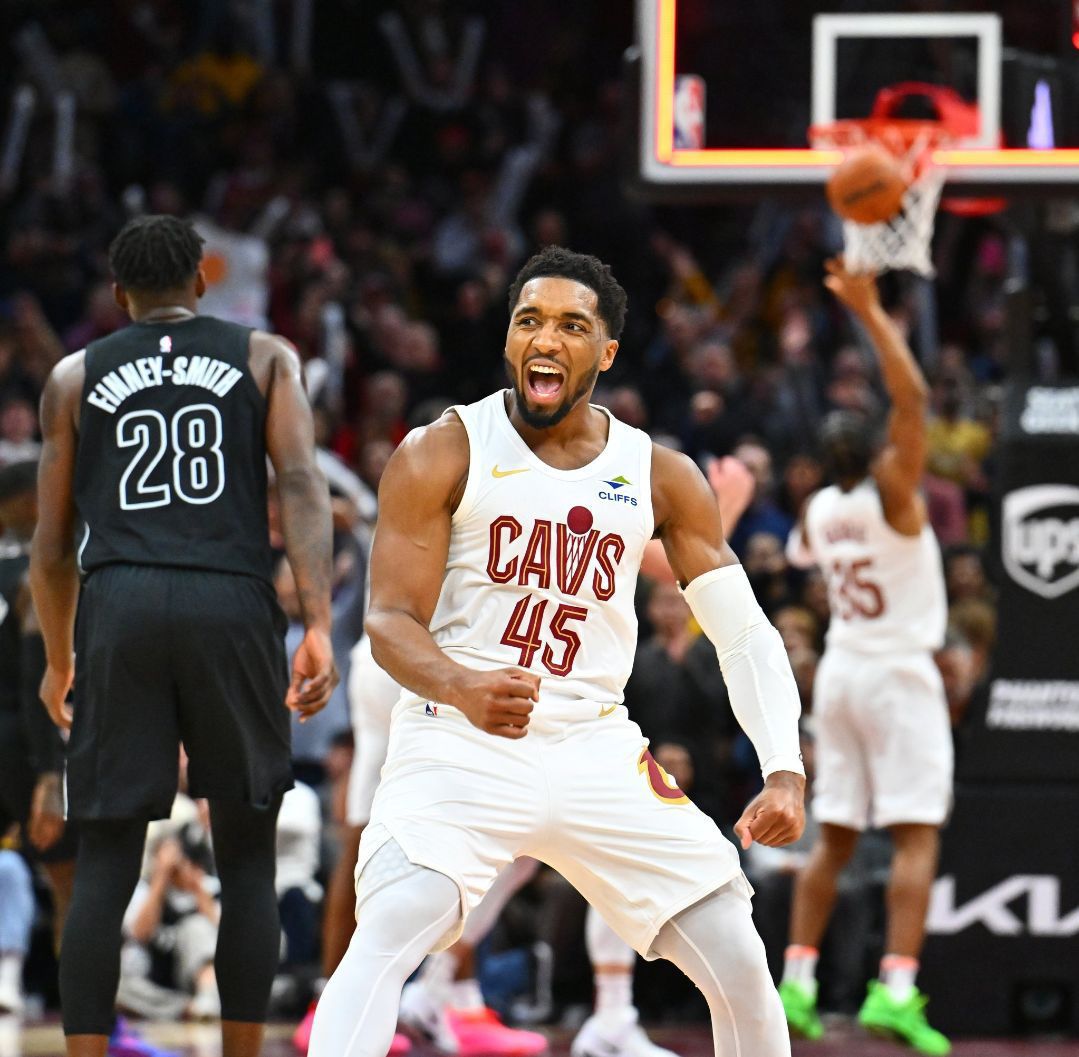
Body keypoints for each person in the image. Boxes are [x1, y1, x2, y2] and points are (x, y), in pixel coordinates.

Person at [309, 245, 806, 1057]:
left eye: (571, 326)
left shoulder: (659, 473)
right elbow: (390, 622)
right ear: (509, 338)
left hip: (592, 741)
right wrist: (460, 684)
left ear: (605, 353)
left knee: (738, 954)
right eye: (528, 320)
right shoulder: (443, 449)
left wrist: (782, 767)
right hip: (460, 735)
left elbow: (743, 630)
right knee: (393, 923)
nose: (545, 338)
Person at [29, 214, 337, 1057]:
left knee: (105, 858)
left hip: (119, 601)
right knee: (246, 855)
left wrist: (59, 657)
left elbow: (50, 546)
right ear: (202, 280)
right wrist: (315, 621)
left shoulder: (72, 375)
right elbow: (301, 484)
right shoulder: (265, 356)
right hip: (229, 599)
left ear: (118, 294)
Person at [780, 259, 951, 1056]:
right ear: (876, 454)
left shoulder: (818, 510)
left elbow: (803, 559)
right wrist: (870, 311)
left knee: (835, 837)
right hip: (894, 673)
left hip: (840, 674)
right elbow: (912, 400)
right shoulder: (893, 495)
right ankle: (897, 990)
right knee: (915, 835)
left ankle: (796, 984)